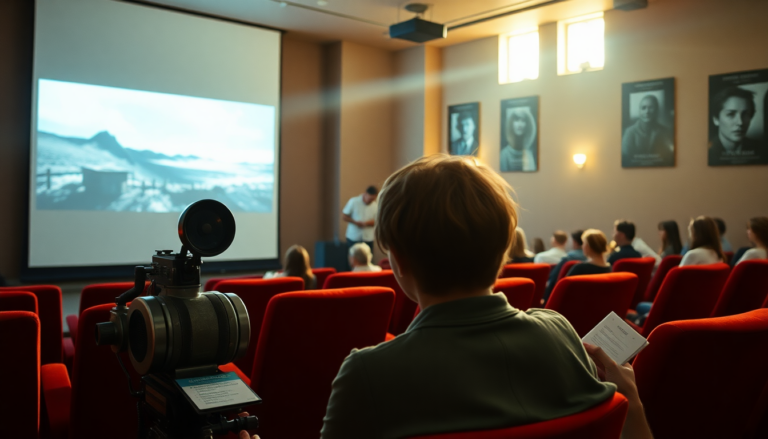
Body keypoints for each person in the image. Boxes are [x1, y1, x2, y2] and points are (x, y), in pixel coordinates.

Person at [320, 154, 653, 439]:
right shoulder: (562, 335)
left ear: (399, 260)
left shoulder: (368, 374)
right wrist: (633, 404)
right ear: (503, 249)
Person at [708, 86, 767, 165]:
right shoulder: (708, 151)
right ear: (716, 119)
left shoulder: (761, 149)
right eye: (730, 114)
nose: (740, 122)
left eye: (745, 114)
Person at [622, 94, 674, 166]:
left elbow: (668, 158)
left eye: (651, 108)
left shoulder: (665, 132)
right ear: (639, 111)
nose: (647, 111)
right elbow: (627, 159)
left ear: (656, 110)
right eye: (643, 108)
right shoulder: (630, 132)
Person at [544, 230, 587, 301]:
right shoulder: (592, 261)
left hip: (564, 298)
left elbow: (553, 279)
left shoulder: (568, 259)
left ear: (575, 242)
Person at [500, 107, 537, 172]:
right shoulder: (504, 155)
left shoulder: (529, 154)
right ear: (512, 123)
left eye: (523, 120)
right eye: (516, 120)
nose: (519, 125)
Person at [342, 186, 378, 251]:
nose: (371, 201)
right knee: (352, 258)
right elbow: (344, 216)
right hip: (353, 237)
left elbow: (378, 221)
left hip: (368, 238)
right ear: (365, 194)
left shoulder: (375, 206)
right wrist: (355, 222)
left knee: (368, 259)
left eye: (373, 199)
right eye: (370, 198)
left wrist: (367, 223)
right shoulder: (353, 201)